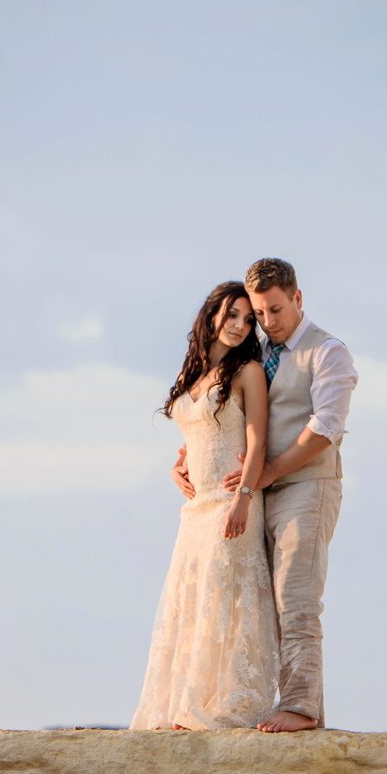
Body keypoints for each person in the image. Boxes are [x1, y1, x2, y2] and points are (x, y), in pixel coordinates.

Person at [173, 258, 357, 733]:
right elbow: (229, 413)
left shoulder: (328, 352)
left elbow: (326, 428)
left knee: (296, 596)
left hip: (305, 486)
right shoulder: (254, 354)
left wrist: (263, 474)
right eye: (260, 313)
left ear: (298, 298)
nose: (268, 322)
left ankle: (301, 708)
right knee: (261, 602)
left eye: (275, 310)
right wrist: (188, 455)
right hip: (257, 492)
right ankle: (253, 703)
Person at [129, 282, 279, 731]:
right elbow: (192, 436)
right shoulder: (191, 373)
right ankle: (183, 704)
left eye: (248, 320)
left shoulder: (247, 370)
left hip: (232, 503)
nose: (239, 326)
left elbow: (257, 441)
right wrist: (176, 468)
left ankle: (219, 704)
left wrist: (244, 499)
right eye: (232, 315)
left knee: (226, 597)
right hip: (194, 511)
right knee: (191, 597)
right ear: (212, 314)